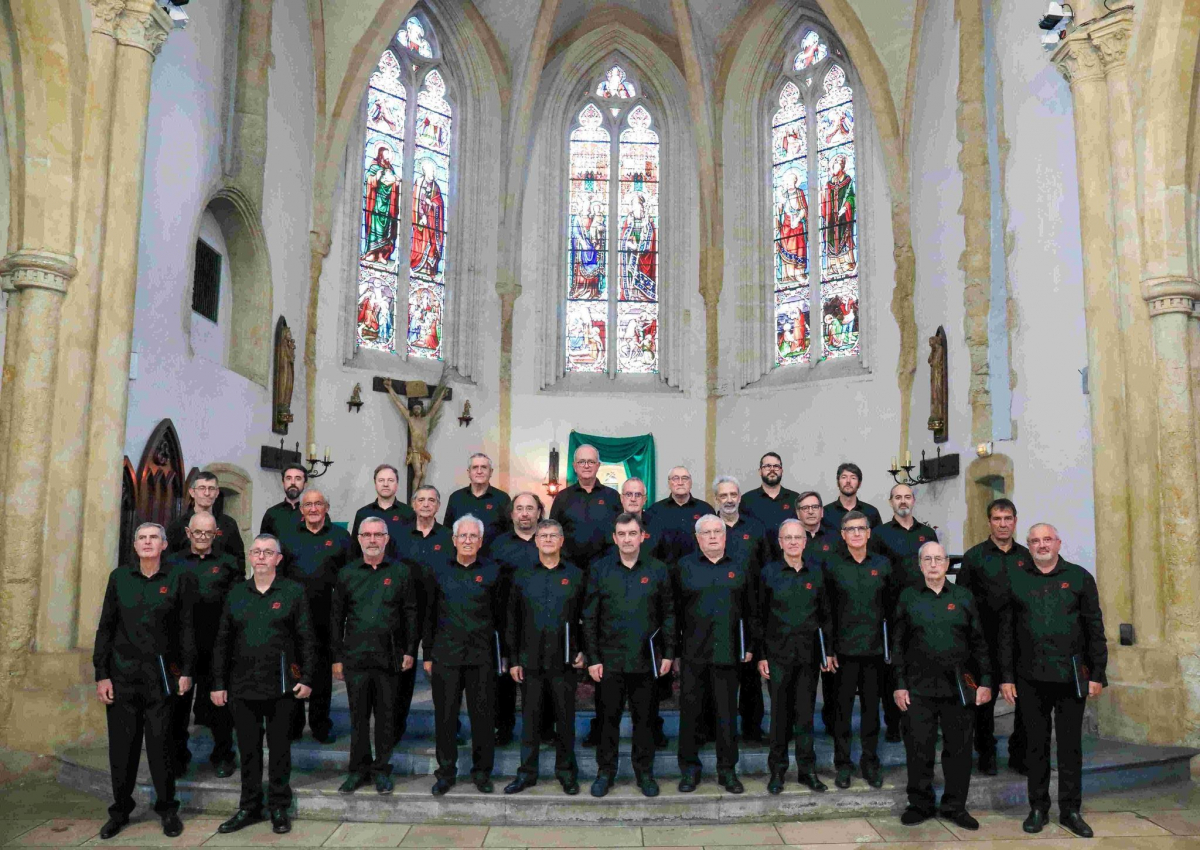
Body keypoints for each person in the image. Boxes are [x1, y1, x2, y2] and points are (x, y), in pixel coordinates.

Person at [1000, 523, 1106, 839]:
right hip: (1030, 677)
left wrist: (1097, 673)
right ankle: (1038, 809)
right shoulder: (1016, 579)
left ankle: (1071, 810)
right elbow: (1005, 634)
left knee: (1071, 746)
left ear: (1058, 542)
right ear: (1028, 546)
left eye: (1047, 539)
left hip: (1072, 676)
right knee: (1036, 745)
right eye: (1035, 541)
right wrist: (1006, 676)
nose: (1042, 545)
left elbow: (1094, 628)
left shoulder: (1079, 578)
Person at [93, 523, 194, 841]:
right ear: (134, 545)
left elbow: (186, 630)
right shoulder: (119, 578)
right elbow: (105, 629)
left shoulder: (179, 578)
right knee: (122, 750)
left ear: (164, 545)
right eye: (142, 538)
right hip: (122, 678)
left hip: (162, 680)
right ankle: (120, 811)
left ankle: (167, 810)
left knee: (162, 747)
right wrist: (102, 674)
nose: (148, 542)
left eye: (154, 538)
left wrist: (185, 672)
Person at [210, 534, 316, 836]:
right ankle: (249, 806)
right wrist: (218, 683)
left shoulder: (293, 592)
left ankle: (279, 805)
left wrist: (307, 678)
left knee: (280, 749)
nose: (260, 557)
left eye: (267, 552)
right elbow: (222, 641)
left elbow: (307, 639)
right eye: (256, 552)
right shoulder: (236, 593)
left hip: (282, 686)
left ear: (278, 559)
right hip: (242, 686)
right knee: (249, 749)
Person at [892, 541, 991, 831]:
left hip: (958, 689)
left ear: (947, 564)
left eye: (939, 559)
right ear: (920, 565)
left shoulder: (963, 597)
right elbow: (897, 645)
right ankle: (920, 804)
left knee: (958, 751)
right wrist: (899, 685)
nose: (934, 564)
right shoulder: (908, 597)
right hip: (917, 688)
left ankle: (954, 806)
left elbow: (979, 643)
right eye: (928, 559)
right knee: (919, 749)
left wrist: (985, 682)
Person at [584, 513, 675, 798]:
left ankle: (644, 773)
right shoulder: (599, 569)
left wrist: (669, 653)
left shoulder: (658, 570)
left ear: (642, 536)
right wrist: (593, 657)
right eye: (621, 534)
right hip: (608, 660)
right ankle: (605, 773)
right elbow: (589, 617)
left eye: (632, 533)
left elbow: (669, 614)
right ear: (614, 538)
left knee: (645, 721)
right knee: (607, 720)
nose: (627, 539)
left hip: (645, 660)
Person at [331, 518, 419, 796]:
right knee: (358, 718)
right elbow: (336, 619)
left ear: (386, 539)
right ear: (359, 539)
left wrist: (409, 650)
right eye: (367, 535)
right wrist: (337, 657)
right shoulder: (346, 574)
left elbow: (410, 614)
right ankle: (357, 770)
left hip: (389, 656)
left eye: (377, 535)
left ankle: (381, 770)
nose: (372, 540)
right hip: (356, 656)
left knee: (385, 716)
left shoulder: (401, 572)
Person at [673, 515, 756, 794]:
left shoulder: (740, 566)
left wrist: (750, 646)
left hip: (728, 653)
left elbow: (751, 611)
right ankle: (689, 770)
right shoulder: (684, 567)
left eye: (717, 532)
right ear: (697, 538)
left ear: (725, 536)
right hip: (693, 654)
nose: (712, 537)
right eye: (706, 533)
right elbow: (673, 613)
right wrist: (672, 652)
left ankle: (727, 771)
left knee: (726, 715)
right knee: (691, 715)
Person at [503, 520, 586, 795]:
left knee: (565, 721)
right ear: (536, 541)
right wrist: (513, 659)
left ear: (562, 541)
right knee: (530, 721)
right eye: (543, 535)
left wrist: (583, 651)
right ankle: (527, 773)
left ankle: (566, 773)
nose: (548, 539)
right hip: (530, 662)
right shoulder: (522, 576)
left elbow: (586, 619)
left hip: (565, 662)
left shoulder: (576, 575)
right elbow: (511, 620)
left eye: (553, 535)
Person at [423, 516, 504, 796]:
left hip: (482, 656)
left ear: (481, 541)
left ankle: (482, 772)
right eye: (463, 536)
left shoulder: (493, 572)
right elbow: (429, 614)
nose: (468, 540)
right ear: (454, 539)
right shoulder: (438, 571)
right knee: (445, 718)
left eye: (473, 536)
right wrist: (428, 654)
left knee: (483, 718)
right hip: (445, 655)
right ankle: (445, 772)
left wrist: (502, 654)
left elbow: (501, 617)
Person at [758, 519, 836, 794]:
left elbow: (826, 615)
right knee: (779, 717)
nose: (792, 542)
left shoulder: (817, 572)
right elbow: (759, 617)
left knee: (805, 716)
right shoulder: (768, 573)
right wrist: (762, 655)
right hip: (777, 655)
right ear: (779, 542)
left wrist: (828, 652)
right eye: (787, 537)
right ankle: (777, 772)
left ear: (805, 541)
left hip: (808, 655)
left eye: (797, 537)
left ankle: (807, 771)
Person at [957, 497, 1030, 776]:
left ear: (1015, 521)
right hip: (983, 641)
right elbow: (963, 600)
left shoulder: (1026, 557)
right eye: (997, 519)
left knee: (1024, 702)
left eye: (1007, 518)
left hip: (1020, 642)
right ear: (989, 522)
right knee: (983, 703)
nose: (1003, 524)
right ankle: (986, 753)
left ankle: (1019, 753)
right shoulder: (974, 557)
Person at [166, 513, 241, 778]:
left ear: (215, 534)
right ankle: (177, 758)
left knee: (220, 707)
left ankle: (223, 756)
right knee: (178, 706)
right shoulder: (172, 562)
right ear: (188, 532)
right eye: (197, 533)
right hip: (180, 648)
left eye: (208, 533)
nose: (202, 538)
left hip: (217, 646)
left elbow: (235, 605)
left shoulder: (228, 563)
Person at [825, 510, 893, 789]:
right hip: (842, 653)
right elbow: (826, 610)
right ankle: (843, 764)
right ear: (843, 535)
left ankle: (870, 761)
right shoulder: (832, 565)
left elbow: (891, 608)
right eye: (850, 529)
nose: (855, 533)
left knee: (870, 712)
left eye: (860, 529)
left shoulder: (883, 565)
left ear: (868, 533)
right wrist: (828, 650)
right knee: (841, 713)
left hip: (875, 652)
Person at [280, 489, 352, 743]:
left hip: (326, 615)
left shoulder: (341, 538)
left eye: (318, 504)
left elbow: (350, 576)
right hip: (294, 617)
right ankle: (294, 725)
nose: (313, 509)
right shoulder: (287, 538)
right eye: (308, 504)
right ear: (302, 510)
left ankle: (321, 725)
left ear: (326, 507)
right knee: (295, 669)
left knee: (322, 673)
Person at [870, 483, 938, 742]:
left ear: (913, 501)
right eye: (897, 497)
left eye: (907, 496)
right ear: (890, 503)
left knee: (921, 664)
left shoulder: (927, 533)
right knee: (893, 669)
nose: (902, 501)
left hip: (923, 609)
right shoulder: (880, 534)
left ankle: (921, 719)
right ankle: (893, 723)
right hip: (891, 611)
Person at [712, 475, 771, 744]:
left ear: (739, 497)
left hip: (750, 610)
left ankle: (752, 728)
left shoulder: (756, 529)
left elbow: (767, 567)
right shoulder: (708, 527)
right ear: (716, 499)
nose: (728, 500)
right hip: (717, 609)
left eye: (733, 494)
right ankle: (715, 729)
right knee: (717, 675)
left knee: (749, 674)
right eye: (723, 495)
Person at [395, 484, 454, 742]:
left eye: (432, 500)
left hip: (441, 614)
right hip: (404, 613)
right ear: (414, 505)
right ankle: (395, 727)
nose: (426, 504)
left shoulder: (449, 536)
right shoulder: (398, 536)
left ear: (438, 506)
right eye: (421, 500)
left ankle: (450, 729)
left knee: (443, 675)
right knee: (402, 672)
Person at [490, 492, 544, 745]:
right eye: (519, 508)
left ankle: (544, 729)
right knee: (503, 678)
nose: (524, 513)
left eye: (529, 508)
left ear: (539, 513)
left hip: (539, 620)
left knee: (540, 677)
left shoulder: (547, 541)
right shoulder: (498, 545)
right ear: (511, 514)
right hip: (503, 620)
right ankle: (504, 727)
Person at [794, 490, 842, 735]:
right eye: (805, 507)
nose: (810, 511)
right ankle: (802, 727)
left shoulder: (836, 539)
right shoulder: (792, 539)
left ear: (822, 511)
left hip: (833, 614)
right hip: (803, 615)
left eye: (814, 507)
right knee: (804, 679)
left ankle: (833, 723)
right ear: (798, 512)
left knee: (833, 673)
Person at [549, 444, 621, 571]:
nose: (586, 465)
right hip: (569, 568)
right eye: (581, 462)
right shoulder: (562, 497)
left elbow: (620, 532)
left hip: (606, 568)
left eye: (591, 462)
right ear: (575, 466)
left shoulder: (613, 496)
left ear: (598, 466)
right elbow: (553, 532)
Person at [166, 471, 245, 563]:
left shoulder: (228, 524)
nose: (207, 493)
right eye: (202, 488)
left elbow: (239, 559)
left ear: (217, 492)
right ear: (192, 492)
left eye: (211, 488)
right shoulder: (178, 525)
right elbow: (168, 560)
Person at [644, 466, 715, 564]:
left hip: (698, 570)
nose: (680, 482)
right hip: (664, 571)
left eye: (685, 478)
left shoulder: (706, 510)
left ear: (691, 483)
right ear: (669, 483)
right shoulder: (654, 511)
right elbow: (648, 547)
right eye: (675, 478)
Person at [444, 453, 512, 554]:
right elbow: (448, 532)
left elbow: (509, 533)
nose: (479, 471)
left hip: (494, 561)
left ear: (491, 472)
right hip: (461, 561)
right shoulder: (456, 498)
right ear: (469, 472)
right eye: (475, 467)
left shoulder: (503, 498)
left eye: (484, 467)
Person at [739, 453, 801, 557]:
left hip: (788, 562)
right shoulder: (746, 500)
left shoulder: (795, 499)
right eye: (767, 466)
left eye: (776, 466)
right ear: (760, 471)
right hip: (756, 561)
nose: (772, 469)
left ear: (782, 471)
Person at [350, 464, 416, 555]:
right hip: (369, 568)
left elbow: (413, 547)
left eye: (390, 480)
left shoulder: (409, 513)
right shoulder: (363, 513)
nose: (385, 484)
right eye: (381, 480)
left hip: (401, 567)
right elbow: (354, 549)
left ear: (397, 484)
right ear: (375, 483)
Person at [822, 463, 882, 532]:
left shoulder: (872, 512)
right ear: (838, 482)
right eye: (844, 477)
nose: (848, 481)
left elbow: (879, 540)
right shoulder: (825, 512)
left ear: (859, 484)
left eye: (853, 478)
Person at [260, 465, 307, 538]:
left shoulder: (312, 512)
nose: (293, 482)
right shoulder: (271, 513)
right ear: (283, 482)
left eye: (298, 479)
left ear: (305, 484)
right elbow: (264, 544)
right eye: (288, 478)